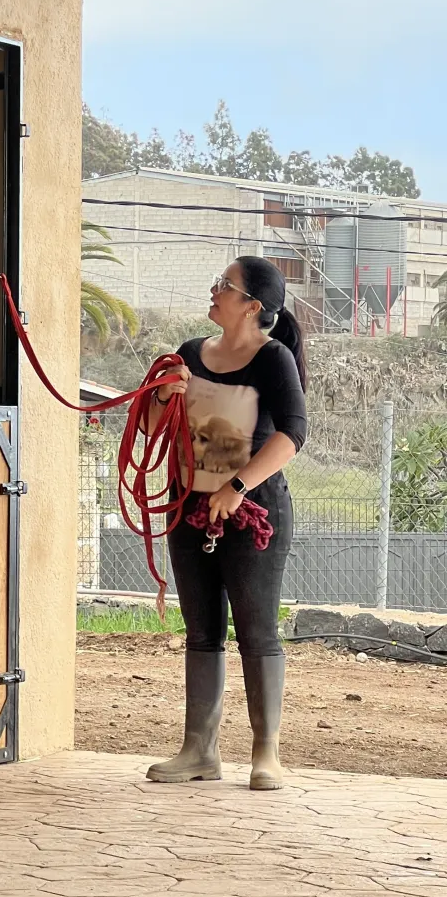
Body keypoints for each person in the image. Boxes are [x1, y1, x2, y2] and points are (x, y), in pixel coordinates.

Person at [146, 257, 307, 791]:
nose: (214, 290)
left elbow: (292, 434)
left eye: (225, 286)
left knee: (257, 633)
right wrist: (164, 395)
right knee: (202, 632)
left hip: (252, 512)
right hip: (189, 508)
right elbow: (150, 425)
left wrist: (236, 489)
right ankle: (199, 750)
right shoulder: (190, 354)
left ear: (252, 306)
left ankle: (266, 753)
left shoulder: (273, 358)